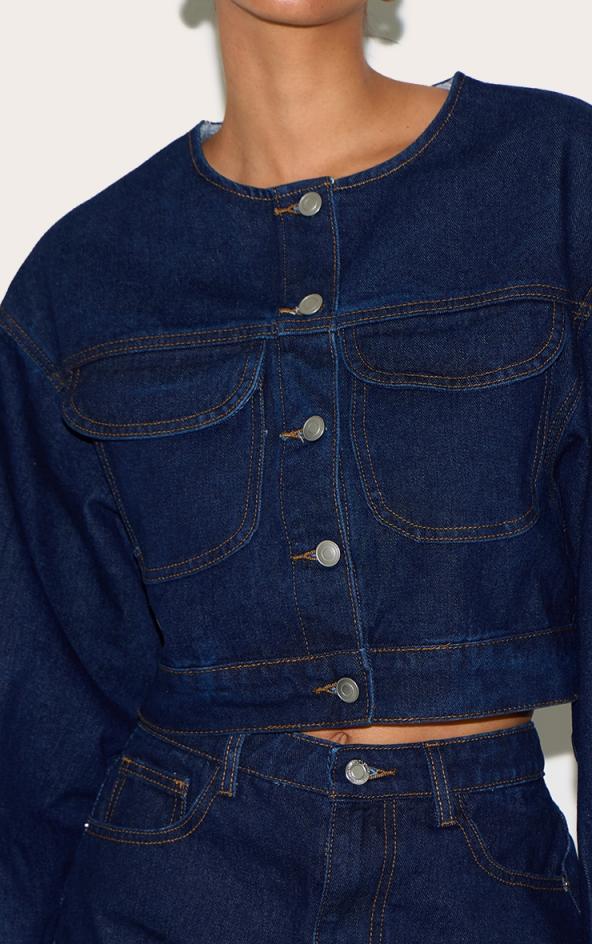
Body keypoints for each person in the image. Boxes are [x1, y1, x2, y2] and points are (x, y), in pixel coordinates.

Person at [1, 0, 592, 941]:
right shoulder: (82, 277)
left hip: (480, 886)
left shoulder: (555, 173)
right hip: (172, 883)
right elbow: (41, 705)